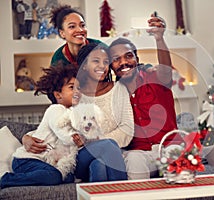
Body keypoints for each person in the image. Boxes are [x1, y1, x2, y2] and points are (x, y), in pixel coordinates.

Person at [108, 14, 182, 180]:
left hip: (169, 148)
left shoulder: (156, 77)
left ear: (136, 59)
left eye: (128, 56)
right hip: (140, 154)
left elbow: (165, 69)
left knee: (178, 166)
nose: (123, 63)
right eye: (116, 59)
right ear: (111, 67)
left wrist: (159, 38)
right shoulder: (114, 95)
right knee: (133, 159)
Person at [0, 64, 78, 188]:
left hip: (41, 162)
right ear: (58, 95)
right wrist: (76, 138)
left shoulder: (71, 113)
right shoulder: (56, 109)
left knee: (67, 177)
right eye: (72, 87)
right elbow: (62, 132)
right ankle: (6, 180)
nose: (77, 92)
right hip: (26, 160)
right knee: (54, 176)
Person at [73, 42, 134, 182]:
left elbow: (127, 129)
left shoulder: (119, 89)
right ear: (84, 65)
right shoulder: (76, 93)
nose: (102, 66)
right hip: (81, 156)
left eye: (106, 62)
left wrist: (97, 141)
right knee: (107, 145)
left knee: (99, 165)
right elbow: (58, 121)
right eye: (96, 61)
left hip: (111, 156)